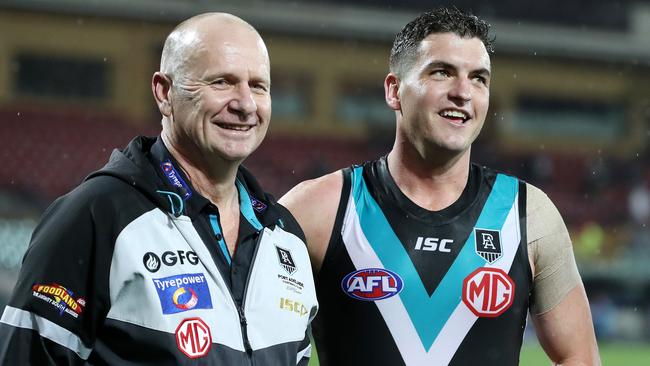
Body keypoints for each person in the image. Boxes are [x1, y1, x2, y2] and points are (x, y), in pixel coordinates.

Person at [280, 7, 600, 366]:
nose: (463, 92)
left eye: (479, 78)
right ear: (394, 90)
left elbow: (579, 357)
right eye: (442, 73)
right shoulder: (316, 209)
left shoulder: (529, 214)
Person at [0, 13, 317, 365]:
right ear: (165, 93)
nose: (245, 104)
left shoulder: (284, 235)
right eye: (222, 83)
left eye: (258, 86)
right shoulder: (97, 216)